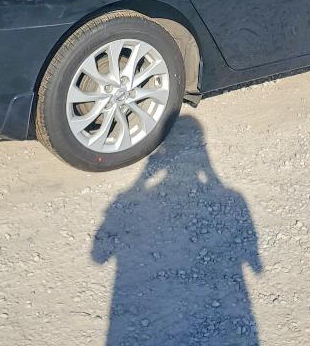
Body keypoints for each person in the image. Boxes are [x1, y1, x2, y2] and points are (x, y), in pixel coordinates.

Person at [92, 115, 262, 346]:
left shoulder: (133, 200)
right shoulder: (232, 198)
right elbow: (255, 264)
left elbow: (99, 256)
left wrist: (140, 181)